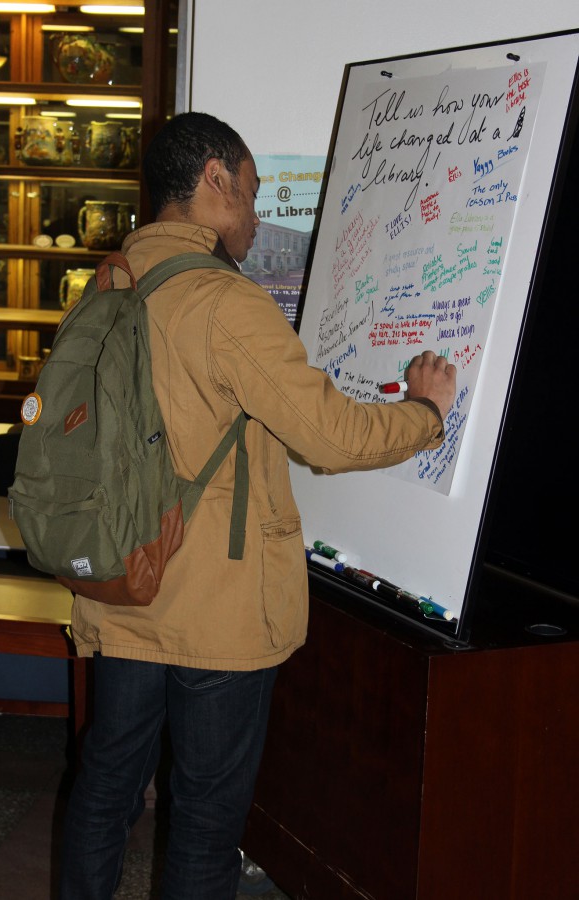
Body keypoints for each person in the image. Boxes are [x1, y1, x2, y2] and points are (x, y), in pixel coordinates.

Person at [59, 111, 456, 900]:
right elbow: (333, 437)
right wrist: (426, 411)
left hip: (123, 582)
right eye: (252, 190)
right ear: (216, 180)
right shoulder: (224, 302)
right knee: (204, 821)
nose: (256, 214)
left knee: (105, 786)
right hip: (215, 607)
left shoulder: (105, 284)